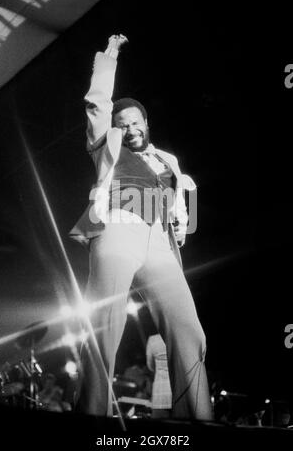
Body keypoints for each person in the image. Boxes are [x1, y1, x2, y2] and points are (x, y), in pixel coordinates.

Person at [70, 34, 213, 421]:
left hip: (158, 240)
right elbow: (97, 103)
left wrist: (183, 227)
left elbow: (186, 202)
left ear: (147, 124)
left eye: (135, 121)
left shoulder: (167, 159)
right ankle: (90, 414)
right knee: (106, 324)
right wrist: (109, 57)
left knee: (189, 330)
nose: (130, 127)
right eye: (122, 123)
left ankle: (198, 420)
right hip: (119, 224)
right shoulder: (106, 146)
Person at [146, 334, 172, 419]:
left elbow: (150, 366)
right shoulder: (178, 338)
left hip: (160, 396)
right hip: (178, 394)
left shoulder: (153, 340)